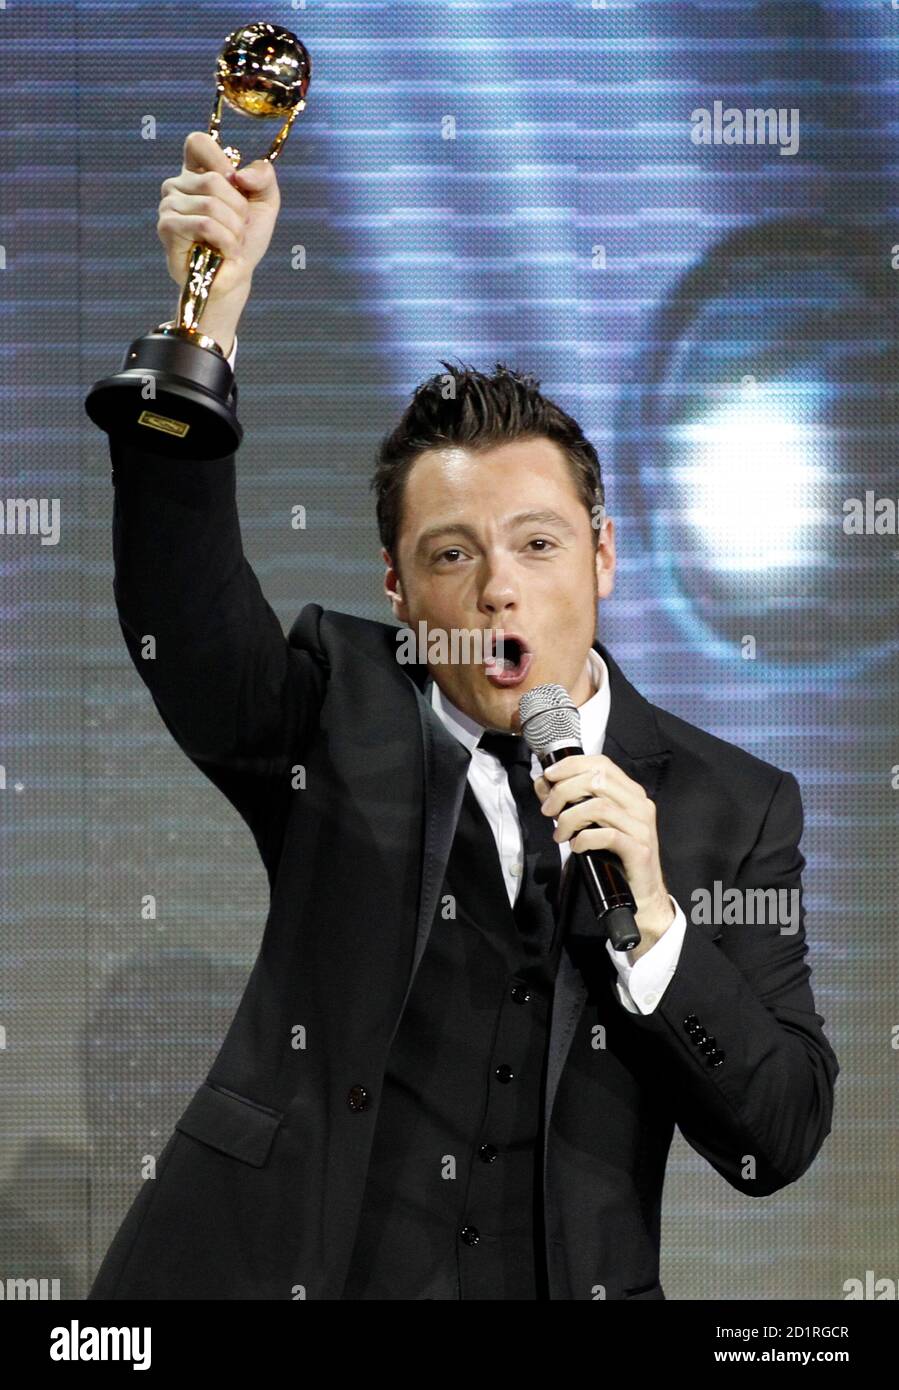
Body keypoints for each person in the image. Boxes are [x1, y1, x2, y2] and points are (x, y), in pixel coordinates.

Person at [87, 132, 839, 1301]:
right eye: (452, 553)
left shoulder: (730, 806)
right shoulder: (333, 703)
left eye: (537, 545)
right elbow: (179, 617)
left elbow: (775, 1135)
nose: (498, 585)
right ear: (399, 589)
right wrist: (205, 324)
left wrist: (653, 927)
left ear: (601, 557)